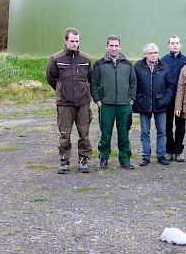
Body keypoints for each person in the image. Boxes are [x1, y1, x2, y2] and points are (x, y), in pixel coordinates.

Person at [46, 27, 93, 174]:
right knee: (64, 134)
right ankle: (64, 162)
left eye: (77, 41)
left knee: (84, 133)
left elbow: (90, 79)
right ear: (65, 40)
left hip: (83, 103)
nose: (75, 44)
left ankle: (84, 160)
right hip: (65, 104)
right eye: (72, 41)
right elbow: (51, 78)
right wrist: (63, 90)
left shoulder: (86, 59)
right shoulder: (56, 59)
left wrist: (84, 93)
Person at [90, 35, 137, 170]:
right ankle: (104, 158)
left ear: (120, 47)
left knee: (124, 133)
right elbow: (93, 84)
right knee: (106, 133)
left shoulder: (127, 64)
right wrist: (98, 101)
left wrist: (131, 100)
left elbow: (133, 83)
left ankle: (125, 159)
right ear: (107, 47)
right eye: (111, 45)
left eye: (116, 45)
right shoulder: (99, 64)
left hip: (124, 105)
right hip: (106, 105)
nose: (114, 48)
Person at [133, 43, 173, 166]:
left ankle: (161, 155)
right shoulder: (138, 66)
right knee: (145, 132)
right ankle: (146, 156)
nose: (153, 55)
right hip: (143, 103)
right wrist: (136, 100)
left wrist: (165, 100)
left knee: (162, 131)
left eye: (155, 52)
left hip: (160, 104)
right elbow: (134, 84)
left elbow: (170, 86)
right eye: (151, 53)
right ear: (145, 54)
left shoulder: (164, 66)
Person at [161, 35, 186, 163]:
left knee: (180, 126)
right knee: (167, 126)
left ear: (181, 44)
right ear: (168, 45)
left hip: (182, 99)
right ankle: (169, 151)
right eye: (172, 43)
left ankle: (178, 151)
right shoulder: (163, 60)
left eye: (177, 43)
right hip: (167, 98)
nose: (174, 45)